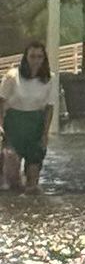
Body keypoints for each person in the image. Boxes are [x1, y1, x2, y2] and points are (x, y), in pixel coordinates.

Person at [0, 42, 53, 193]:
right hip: (14, 126)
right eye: (32, 56)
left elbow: (50, 108)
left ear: (44, 59)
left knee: (32, 184)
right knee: (13, 181)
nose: (36, 60)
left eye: (40, 57)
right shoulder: (12, 76)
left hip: (35, 126)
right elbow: (1, 102)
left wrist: (45, 134)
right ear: (26, 58)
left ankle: (32, 211)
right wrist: (1, 126)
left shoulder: (49, 79)